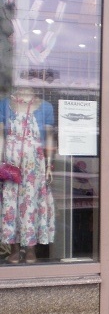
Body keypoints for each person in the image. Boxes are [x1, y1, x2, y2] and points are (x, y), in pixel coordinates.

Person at [0, 85, 55, 263]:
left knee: (31, 203)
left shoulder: (46, 107)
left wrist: (48, 165)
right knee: (11, 204)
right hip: (11, 162)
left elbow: (49, 137)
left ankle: (31, 248)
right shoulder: (4, 104)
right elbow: (0, 135)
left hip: (34, 163)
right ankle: (15, 249)